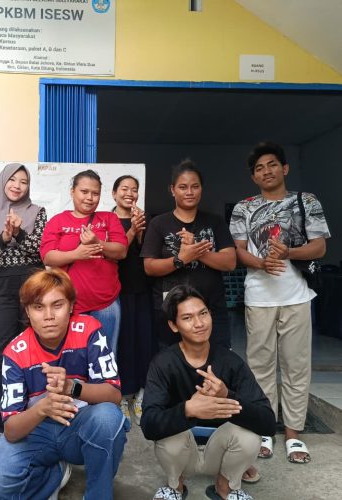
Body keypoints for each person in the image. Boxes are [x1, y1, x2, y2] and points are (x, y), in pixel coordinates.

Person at [0, 268, 129, 500]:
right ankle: (54, 475)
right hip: (37, 432)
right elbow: (11, 431)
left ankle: (98, 495)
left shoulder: (89, 330)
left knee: (109, 418)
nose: (48, 315)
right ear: (27, 311)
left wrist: (72, 387)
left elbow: (114, 395)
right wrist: (43, 408)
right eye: (38, 307)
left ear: (71, 306)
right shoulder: (15, 352)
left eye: (57, 305)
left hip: (79, 426)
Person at [229, 142, 330, 464]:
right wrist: (260, 263)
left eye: (272, 165)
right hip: (258, 297)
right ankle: (264, 430)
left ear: (284, 168)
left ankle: (294, 434)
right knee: (259, 367)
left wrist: (289, 253)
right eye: (259, 168)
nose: (266, 171)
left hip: (297, 296)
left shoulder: (307, 201)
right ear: (253, 177)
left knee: (296, 366)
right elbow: (238, 251)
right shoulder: (244, 207)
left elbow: (319, 248)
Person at [141, 285, 275, 500]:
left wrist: (227, 395)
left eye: (203, 313)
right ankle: (176, 486)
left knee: (250, 435)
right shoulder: (163, 363)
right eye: (187, 318)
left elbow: (267, 422)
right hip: (183, 451)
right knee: (168, 437)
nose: (199, 323)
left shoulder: (231, 362)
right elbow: (149, 424)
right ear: (173, 326)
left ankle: (226, 486)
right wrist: (187, 410)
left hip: (222, 451)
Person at [0, 163, 47, 447]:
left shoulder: (37, 212)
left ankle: (33, 419)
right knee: (0, 354)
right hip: (2, 288)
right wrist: (5, 236)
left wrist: (18, 234)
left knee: (35, 350)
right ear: (3, 182)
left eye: (24, 181)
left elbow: (39, 250)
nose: (18, 185)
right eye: (13, 180)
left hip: (33, 285)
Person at [141, 159, 236, 349]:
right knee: (173, 361)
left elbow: (230, 262)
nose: (189, 192)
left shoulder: (215, 222)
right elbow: (149, 267)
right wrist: (181, 259)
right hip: (172, 311)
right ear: (172, 190)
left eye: (195, 186)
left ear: (201, 189)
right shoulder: (158, 224)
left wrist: (197, 252)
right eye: (183, 187)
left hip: (211, 309)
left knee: (216, 359)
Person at [40, 169, 128, 355]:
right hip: (68, 304)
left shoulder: (109, 218)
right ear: (72, 191)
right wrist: (76, 254)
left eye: (95, 193)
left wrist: (98, 242)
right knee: (72, 358)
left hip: (106, 303)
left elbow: (121, 251)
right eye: (84, 191)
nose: (90, 198)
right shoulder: (58, 221)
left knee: (105, 357)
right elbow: (47, 257)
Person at [112, 175, 156, 424]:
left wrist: (140, 232)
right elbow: (115, 254)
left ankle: (140, 395)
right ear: (114, 193)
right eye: (124, 188)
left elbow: (146, 253)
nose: (130, 193)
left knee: (144, 342)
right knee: (121, 343)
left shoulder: (145, 220)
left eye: (134, 189)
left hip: (142, 289)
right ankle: (121, 395)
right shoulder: (106, 220)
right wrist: (132, 231)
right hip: (116, 291)